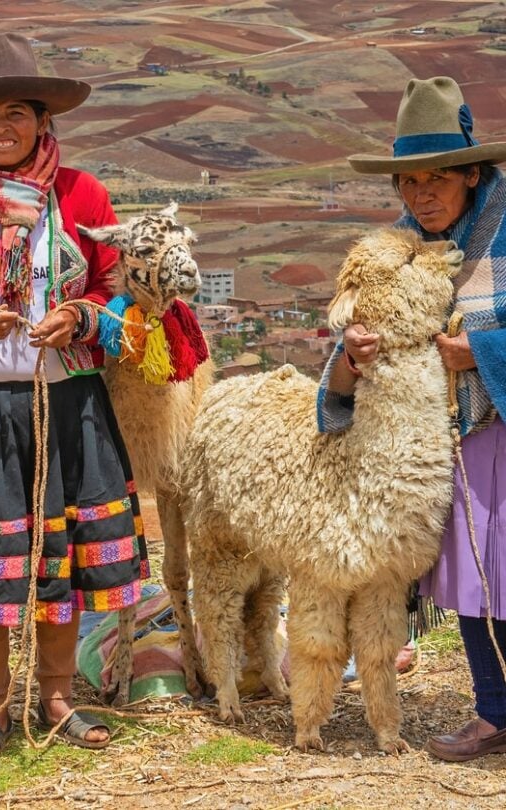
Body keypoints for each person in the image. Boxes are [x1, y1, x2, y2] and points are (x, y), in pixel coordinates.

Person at [0, 33, 149, 760]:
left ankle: (58, 696)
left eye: (16, 111)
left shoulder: (82, 196)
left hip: (66, 402)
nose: (1, 126)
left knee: (59, 558)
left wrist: (76, 316)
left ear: (45, 122)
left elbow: (116, 293)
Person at [318, 75, 506, 761]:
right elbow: (351, 338)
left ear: (471, 172)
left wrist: (482, 351)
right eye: (408, 184)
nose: (421, 197)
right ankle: (493, 715)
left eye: (435, 180)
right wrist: (354, 351)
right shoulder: (396, 248)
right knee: (472, 581)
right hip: (438, 442)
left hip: (499, 428)